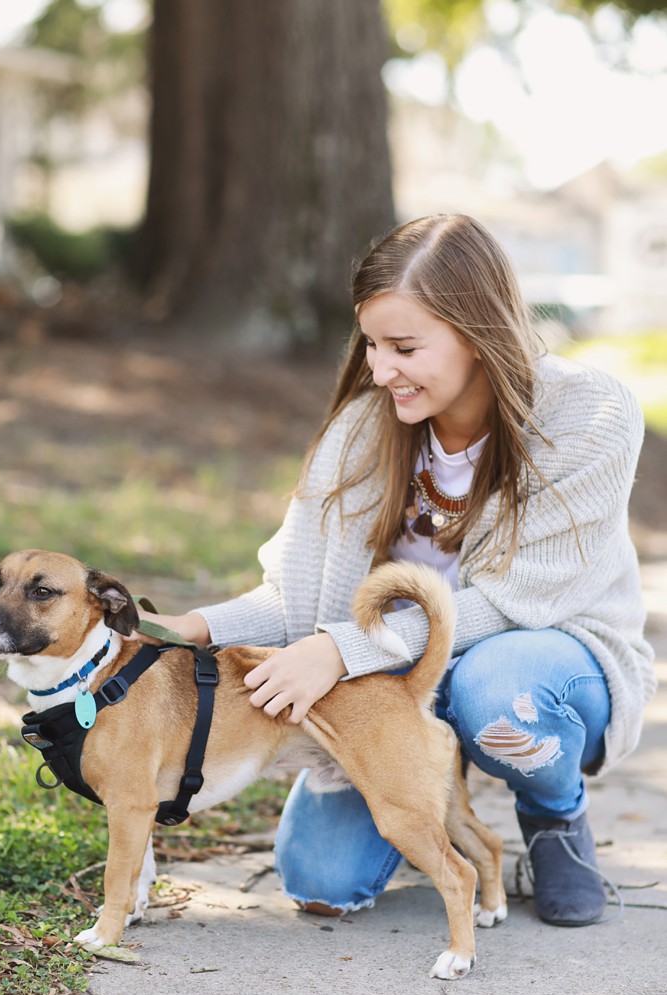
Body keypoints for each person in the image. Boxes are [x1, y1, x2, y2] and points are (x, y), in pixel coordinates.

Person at [146, 212, 656, 928]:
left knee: (495, 691)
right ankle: (436, 789)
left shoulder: (588, 414)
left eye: (404, 346)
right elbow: (292, 595)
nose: (380, 370)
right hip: (391, 684)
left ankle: (552, 813)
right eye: (372, 344)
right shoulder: (364, 427)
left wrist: (339, 649)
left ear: (477, 331)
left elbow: (516, 603)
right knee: (321, 880)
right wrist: (185, 628)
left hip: (535, 660)